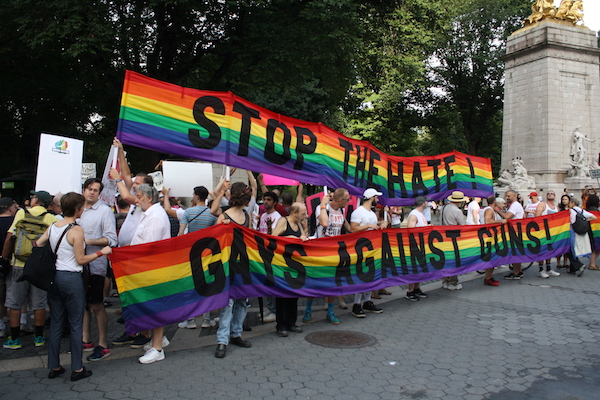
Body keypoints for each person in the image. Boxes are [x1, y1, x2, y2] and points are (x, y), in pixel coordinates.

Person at [38, 192, 112, 381]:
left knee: (56, 322)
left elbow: (38, 243)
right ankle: (77, 368)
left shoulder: (54, 226)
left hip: (54, 279)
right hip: (71, 278)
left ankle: (54, 366)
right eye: (82, 208)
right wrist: (101, 253)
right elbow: (80, 259)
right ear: (77, 209)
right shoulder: (76, 230)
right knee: (75, 323)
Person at [2, 190, 57, 349]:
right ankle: (39, 337)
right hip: (39, 266)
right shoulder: (50, 218)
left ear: (36, 200)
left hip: (19, 264)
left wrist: (4, 259)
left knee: (15, 302)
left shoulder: (21, 213)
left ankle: (14, 339)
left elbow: (9, 237)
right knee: (38, 303)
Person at [131, 184, 172, 364]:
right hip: (149, 268)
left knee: (154, 306)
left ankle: (157, 348)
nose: (137, 200)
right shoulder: (151, 214)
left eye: (139, 196)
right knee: (151, 306)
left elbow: (149, 247)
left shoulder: (155, 217)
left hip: (152, 268)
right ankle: (159, 340)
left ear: (149, 198)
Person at [78, 178, 118, 361]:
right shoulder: (77, 209)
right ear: (83, 190)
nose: (91, 192)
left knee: (96, 304)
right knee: (82, 304)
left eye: (95, 190)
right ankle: (86, 340)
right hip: (77, 265)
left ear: (100, 193)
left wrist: (88, 242)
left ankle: (103, 343)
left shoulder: (104, 211)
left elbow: (111, 239)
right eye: (89, 189)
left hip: (95, 266)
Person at [176, 184, 226, 329]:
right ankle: (206, 319)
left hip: (192, 253)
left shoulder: (188, 212)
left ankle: (190, 319)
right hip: (208, 253)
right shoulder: (212, 213)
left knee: (192, 285)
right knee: (207, 285)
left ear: (196, 196)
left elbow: (181, 233)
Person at [214, 182, 253, 358]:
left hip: (242, 263)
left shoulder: (247, 215)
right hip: (227, 264)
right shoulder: (223, 216)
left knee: (241, 301)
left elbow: (249, 239)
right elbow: (216, 241)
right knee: (227, 303)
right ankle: (222, 340)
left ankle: (236, 333)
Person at [303, 188, 351, 325]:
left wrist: (376, 225)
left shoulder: (341, 211)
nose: (348, 202)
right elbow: (324, 223)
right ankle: (308, 309)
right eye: (347, 199)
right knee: (314, 283)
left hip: (334, 253)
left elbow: (350, 228)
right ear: (340, 200)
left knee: (332, 284)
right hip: (319, 252)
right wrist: (323, 204)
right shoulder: (322, 208)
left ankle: (330, 312)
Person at [349, 188, 387, 317]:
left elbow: (372, 226)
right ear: (371, 197)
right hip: (360, 247)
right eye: (376, 197)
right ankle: (356, 304)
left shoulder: (371, 212)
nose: (378, 199)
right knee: (361, 274)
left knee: (370, 274)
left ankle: (367, 301)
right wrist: (368, 227)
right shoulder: (358, 212)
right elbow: (353, 228)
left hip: (372, 247)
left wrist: (381, 224)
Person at [271, 202, 308, 336]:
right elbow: (273, 237)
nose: (305, 216)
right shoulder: (283, 221)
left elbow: (302, 236)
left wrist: (303, 237)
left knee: (294, 295)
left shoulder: (298, 223)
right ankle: (281, 325)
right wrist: (289, 238)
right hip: (282, 264)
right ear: (294, 212)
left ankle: (291, 323)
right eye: (303, 213)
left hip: (295, 265)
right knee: (282, 296)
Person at [257, 191, 282, 323]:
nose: (265, 202)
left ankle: (273, 310)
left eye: (268, 200)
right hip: (262, 253)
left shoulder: (277, 217)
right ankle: (268, 308)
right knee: (265, 281)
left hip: (272, 254)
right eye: (264, 199)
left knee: (271, 281)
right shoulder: (263, 215)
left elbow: (274, 237)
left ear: (274, 203)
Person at [495, 190, 525, 280]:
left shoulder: (515, 205)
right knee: (516, 251)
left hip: (515, 231)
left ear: (514, 196)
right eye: (506, 196)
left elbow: (507, 216)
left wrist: (497, 210)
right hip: (516, 231)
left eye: (509, 196)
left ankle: (516, 273)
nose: (507, 198)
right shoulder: (515, 205)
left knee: (514, 252)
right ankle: (518, 271)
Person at [440, 191, 467, 290]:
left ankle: (445, 280)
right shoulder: (457, 211)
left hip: (443, 236)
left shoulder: (443, 208)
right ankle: (453, 281)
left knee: (446, 259)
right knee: (454, 260)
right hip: (454, 237)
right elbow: (462, 225)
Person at [405, 196, 430, 301]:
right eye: (426, 201)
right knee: (414, 268)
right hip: (415, 245)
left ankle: (416, 288)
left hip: (422, 245)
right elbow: (410, 230)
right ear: (423, 203)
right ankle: (410, 291)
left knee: (420, 267)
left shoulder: (420, 214)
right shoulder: (414, 215)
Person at [0, 197, 18, 337]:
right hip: (13, 261)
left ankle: (1, 323)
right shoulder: (15, 222)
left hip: (2, 262)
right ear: (10, 208)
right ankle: (21, 320)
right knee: (14, 294)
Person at [534, 190, 561, 278]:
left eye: (552, 193)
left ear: (555, 196)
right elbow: (537, 216)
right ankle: (541, 270)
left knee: (549, 250)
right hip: (543, 231)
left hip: (552, 232)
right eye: (548, 193)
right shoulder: (542, 205)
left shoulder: (556, 208)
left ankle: (548, 268)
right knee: (542, 250)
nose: (550, 194)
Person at [568, 197, 597, 277]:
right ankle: (573, 268)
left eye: (570, 202)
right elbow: (594, 217)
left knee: (570, 249)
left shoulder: (571, 211)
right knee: (574, 249)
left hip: (572, 231)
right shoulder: (582, 211)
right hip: (580, 232)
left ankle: (578, 265)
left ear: (573, 203)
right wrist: (584, 220)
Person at [480, 196, 505, 286]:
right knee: (492, 258)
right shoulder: (489, 210)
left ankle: (489, 277)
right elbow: (487, 221)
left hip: (488, 235)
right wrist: (500, 221)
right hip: (489, 236)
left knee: (492, 257)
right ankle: (488, 278)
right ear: (495, 202)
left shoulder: (487, 209)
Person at [556, 194, 571, 270]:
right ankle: (558, 263)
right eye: (563, 199)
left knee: (567, 246)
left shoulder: (571, 209)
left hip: (568, 228)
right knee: (560, 246)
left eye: (566, 199)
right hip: (561, 229)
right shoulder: (560, 209)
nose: (564, 201)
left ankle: (565, 262)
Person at [586, 194, 600, 270]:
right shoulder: (596, 211)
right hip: (596, 231)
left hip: (589, 230)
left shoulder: (587, 211)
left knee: (593, 247)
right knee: (595, 248)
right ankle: (592, 264)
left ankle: (592, 262)